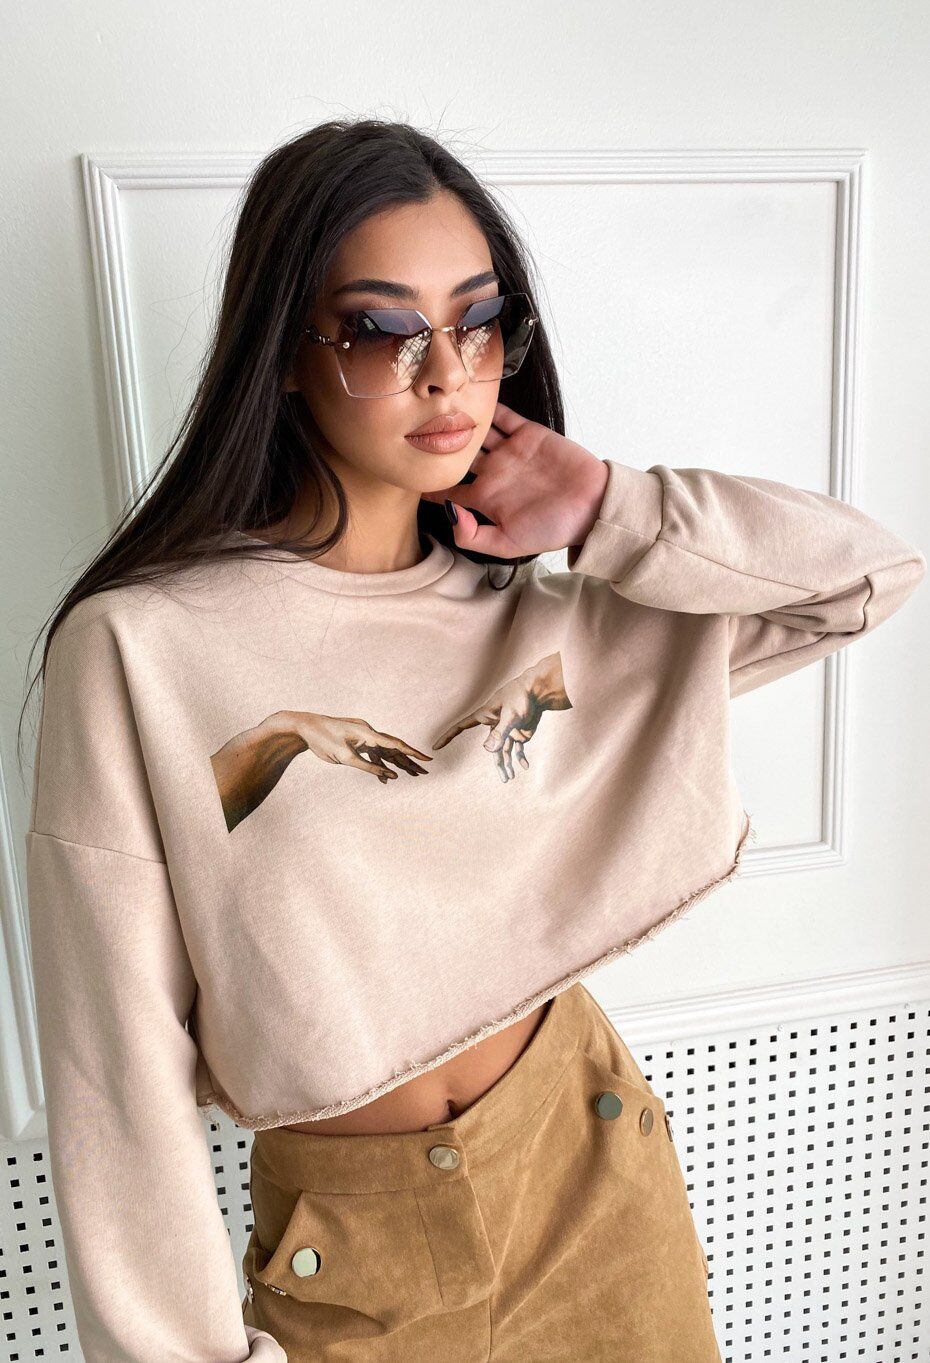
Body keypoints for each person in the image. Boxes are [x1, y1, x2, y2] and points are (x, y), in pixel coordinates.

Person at [22, 119, 925, 1363]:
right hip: (364, 1244)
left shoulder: (556, 617)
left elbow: (865, 579)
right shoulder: (144, 649)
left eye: (480, 323)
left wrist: (605, 505)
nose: (448, 375)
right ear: (282, 355)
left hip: (591, 1166)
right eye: (382, 332)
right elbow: (114, 1070)